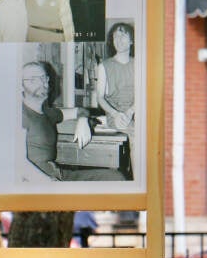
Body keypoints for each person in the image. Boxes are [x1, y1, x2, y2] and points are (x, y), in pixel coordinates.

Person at [21, 61, 122, 181]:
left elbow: (80, 111)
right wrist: (47, 182)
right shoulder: (20, 115)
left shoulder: (48, 112)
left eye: (43, 78)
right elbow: (19, 164)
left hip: (58, 174)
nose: (42, 83)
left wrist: (83, 120)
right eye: (33, 80)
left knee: (115, 177)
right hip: (38, 181)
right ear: (21, 85)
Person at [95, 22, 136, 178]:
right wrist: (117, 114)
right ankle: (136, 180)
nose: (119, 39)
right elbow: (100, 97)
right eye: (115, 36)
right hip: (115, 114)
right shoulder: (104, 66)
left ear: (131, 40)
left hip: (135, 111)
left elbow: (143, 94)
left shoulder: (139, 63)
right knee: (136, 134)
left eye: (123, 35)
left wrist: (131, 111)